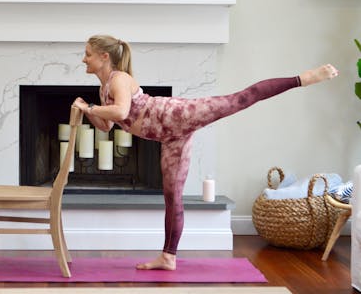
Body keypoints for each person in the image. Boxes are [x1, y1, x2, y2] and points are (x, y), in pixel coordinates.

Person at [72, 34, 339, 271]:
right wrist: (87, 108)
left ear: (104, 56)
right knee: (172, 196)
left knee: (240, 99)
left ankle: (304, 78)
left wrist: (90, 109)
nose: (84, 59)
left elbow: (119, 112)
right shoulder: (103, 87)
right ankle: (168, 257)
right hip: (170, 137)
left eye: (87, 54)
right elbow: (106, 126)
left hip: (176, 115)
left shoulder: (120, 79)